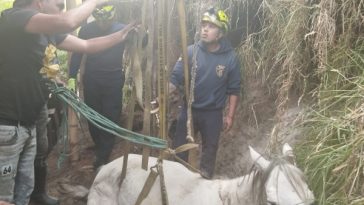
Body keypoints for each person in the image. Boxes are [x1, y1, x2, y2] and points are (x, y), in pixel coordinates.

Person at [0, 0, 137, 204]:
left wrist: (121, 35)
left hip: (27, 121)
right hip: (9, 123)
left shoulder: (45, 31)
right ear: (39, 3)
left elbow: (87, 45)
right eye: (58, 4)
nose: (61, 6)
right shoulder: (14, 17)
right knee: (4, 195)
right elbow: (68, 22)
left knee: (24, 188)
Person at [170, 7, 241, 179]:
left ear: (221, 33)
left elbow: (234, 90)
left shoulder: (230, 58)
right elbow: (174, 79)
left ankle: (204, 184)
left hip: (213, 114)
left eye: (211, 26)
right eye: (203, 25)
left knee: (209, 153)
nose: (205, 29)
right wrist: (163, 96)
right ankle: (176, 186)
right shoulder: (191, 51)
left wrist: (230, 116)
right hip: (189, 111)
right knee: (179, 152)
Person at [68, 4, 127, 171]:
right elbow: (77, 53)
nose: (103, 25)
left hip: (114, 78)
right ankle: (101, 147)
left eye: (106, 21)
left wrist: (141, 31)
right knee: (93, 115)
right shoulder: (86, 30)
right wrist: (72, 76)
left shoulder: (122, 29)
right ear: (95, 17)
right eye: (100, 21)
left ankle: (103, 156)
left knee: (110, 115)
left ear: (112, 16)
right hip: (92, 79)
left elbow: (143, 43)